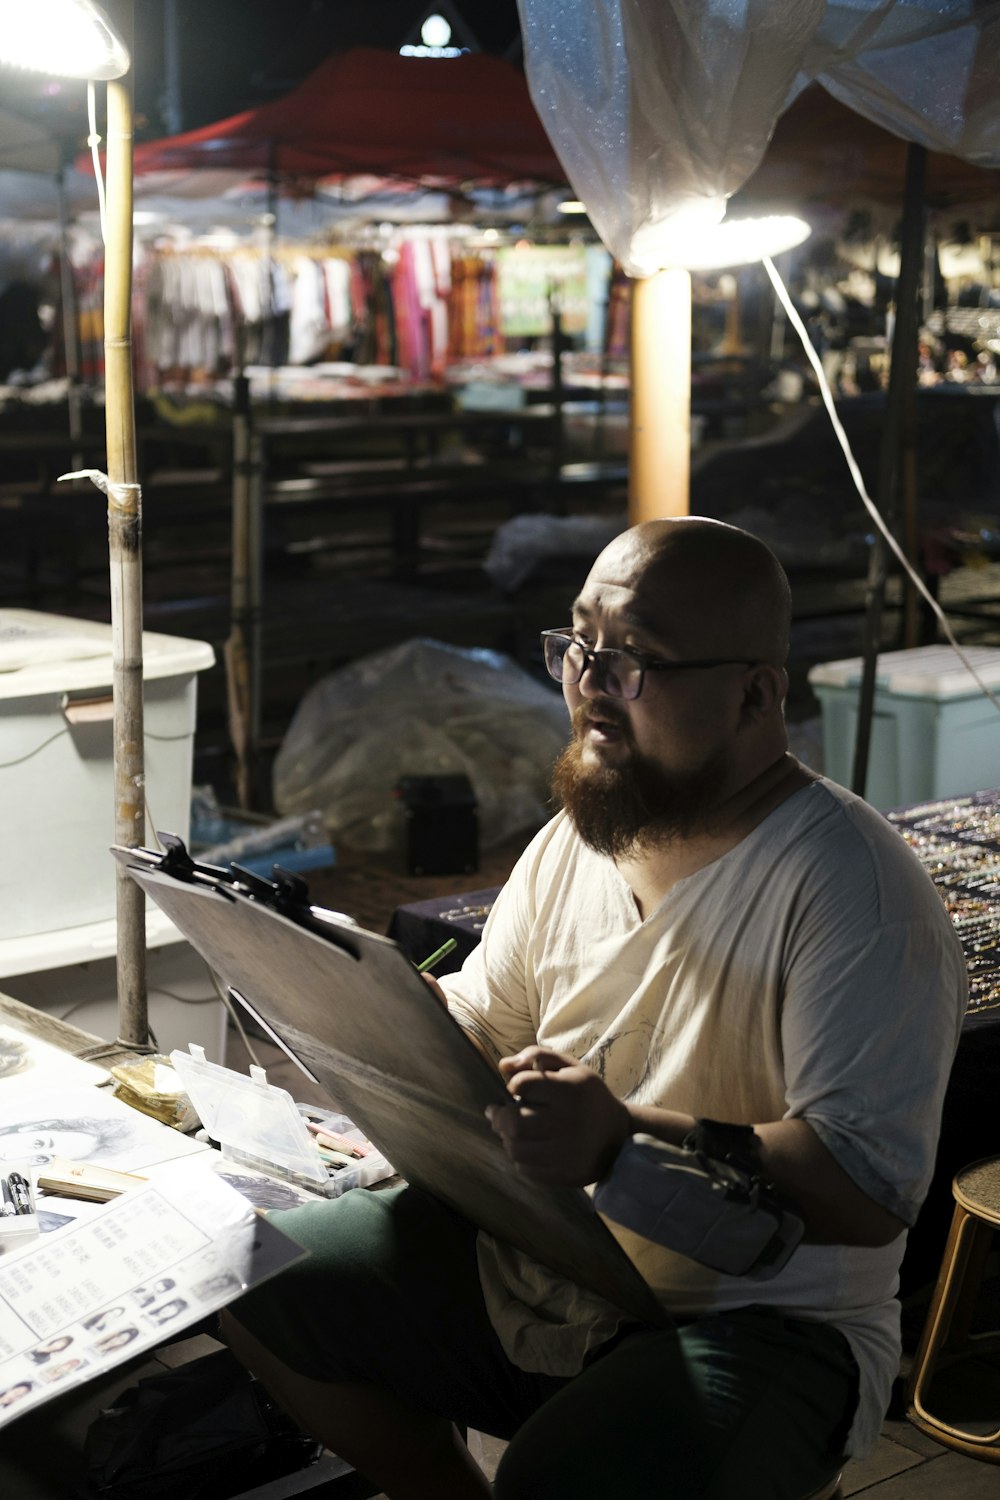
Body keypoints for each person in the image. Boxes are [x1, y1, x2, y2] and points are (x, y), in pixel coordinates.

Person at [223, 518, 967, 1500]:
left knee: (569, 1474)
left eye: (635, 663)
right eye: (578, 648)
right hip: (551, 1253)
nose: (585, 688)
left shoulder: (852, 891)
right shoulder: (581, 838)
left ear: (757, 691)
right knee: (249, 1265)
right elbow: (479, 1026)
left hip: (760, 1316)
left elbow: (863, 1192)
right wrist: (346, 1010)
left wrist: (623, 1141)